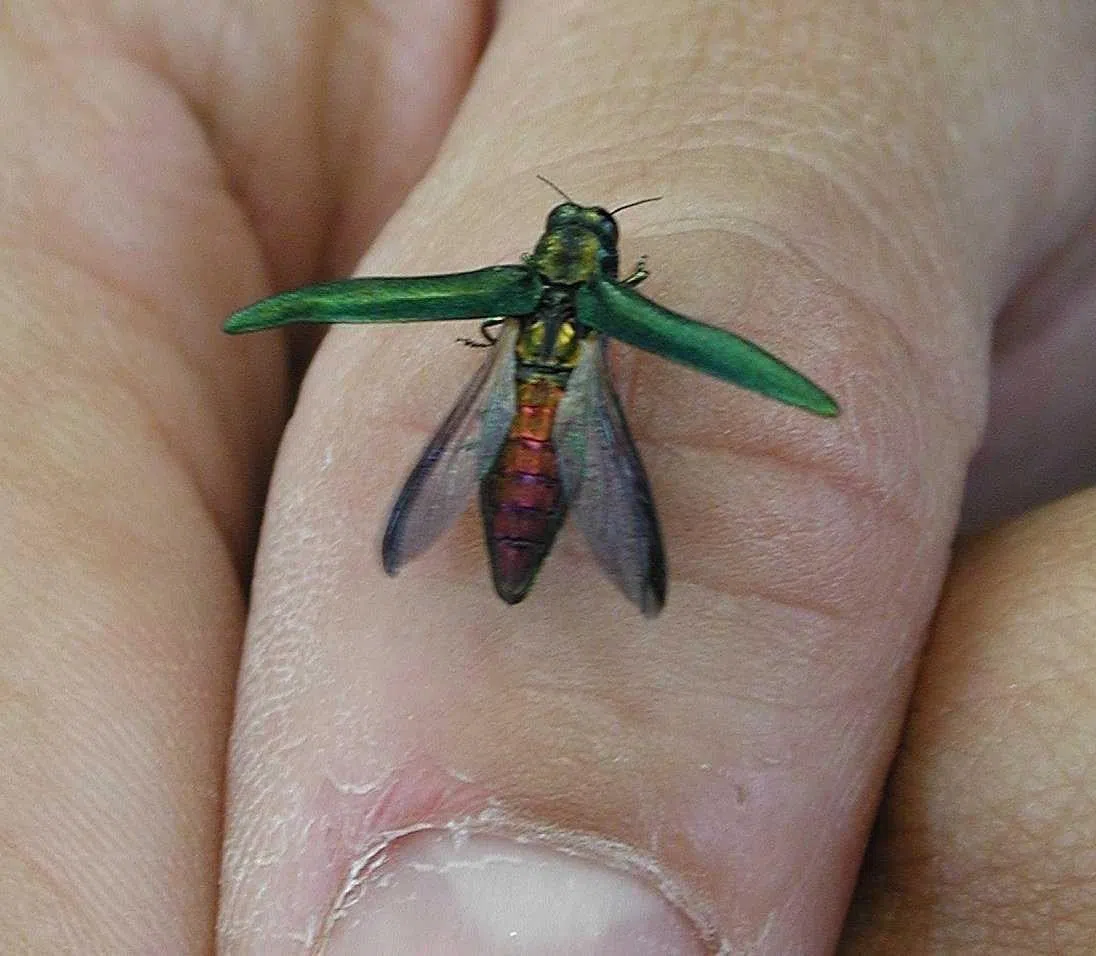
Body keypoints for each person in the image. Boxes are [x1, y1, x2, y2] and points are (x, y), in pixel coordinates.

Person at [4, 2, 1094, 951]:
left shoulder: (523, 295)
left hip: (528, 405)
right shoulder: (603, 308)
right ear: (605, 265)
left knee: (543, 436)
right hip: (553, 413)